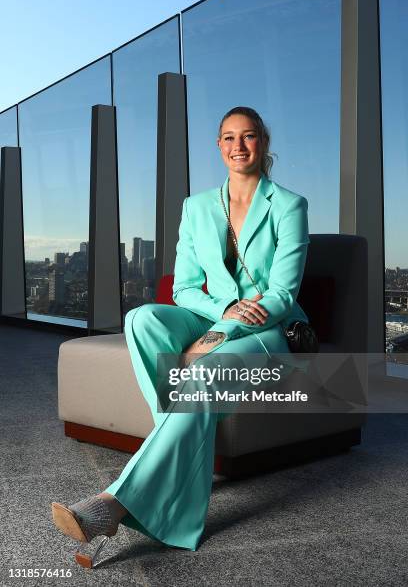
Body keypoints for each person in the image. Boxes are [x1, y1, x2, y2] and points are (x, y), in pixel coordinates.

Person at [51, 106, 310, 568]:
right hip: (219, 314)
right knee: (142, 320)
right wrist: (221, 313)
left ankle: (111, 506)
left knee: (206, 368)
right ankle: (177, 448)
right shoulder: (196, 207)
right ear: (218, 146)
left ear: (264, 143)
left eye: (249, 137)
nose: (239, 146)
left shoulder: (288, 206)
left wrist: (214, 336)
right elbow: (187, 287)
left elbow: (283, 295)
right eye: (229, 138)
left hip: (266, 331)